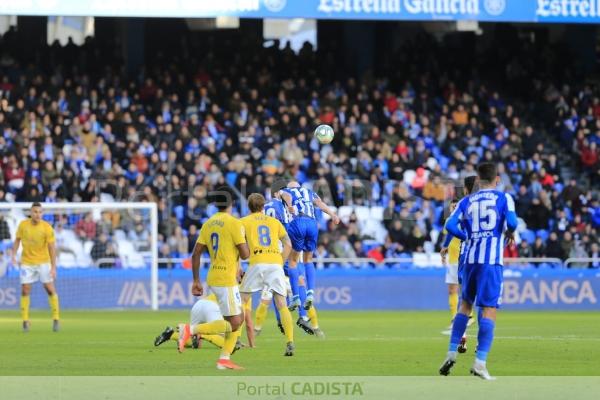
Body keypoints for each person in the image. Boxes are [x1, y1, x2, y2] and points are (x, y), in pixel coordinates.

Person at [439, 162, 518, 380]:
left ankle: (451, 352)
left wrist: (468, 237)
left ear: (479, 180)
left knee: (465, 306)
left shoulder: (466, 201)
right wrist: (510, 231)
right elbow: (512, 222)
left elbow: (450, 226)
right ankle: (480, 362)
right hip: (490, 261)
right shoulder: (504, 198)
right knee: (489, 309)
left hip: (469, 260)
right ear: (497, 178)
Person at [177, 186, 250, 371]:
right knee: (235, 322)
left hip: (213, 276)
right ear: (232, 204)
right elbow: (245, 254)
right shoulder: (235, 223)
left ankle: (224, 359)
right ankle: (190, 330)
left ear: (216, 204)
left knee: (236, 318)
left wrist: (196, 280)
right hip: (226, 278)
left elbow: (196, 254)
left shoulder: (208, 223)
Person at [239, 193, 296, 356]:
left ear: (249, 207)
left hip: (257, 261)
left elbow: (237, 244)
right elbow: (288, 244)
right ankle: (290, 341)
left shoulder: (243, 221)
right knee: (281, 303)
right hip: (274, 263)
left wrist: (238, 265)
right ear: (263, 206)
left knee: (242, 300)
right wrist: (280, 260)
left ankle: (235, 338)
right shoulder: (274, 222)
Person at [280, 181, 340, 312]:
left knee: (293, 261)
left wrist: (290, 205)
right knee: (308, 259)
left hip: (297, 222)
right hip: (312, 224)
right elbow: (320, 204)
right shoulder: (308, 192)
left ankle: (295, 297)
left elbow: (287, 196)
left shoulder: (286, 190)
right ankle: (311, 293)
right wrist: (333, 214)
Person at [440, 176, 478, 352]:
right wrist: (445, 247)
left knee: (466, 294)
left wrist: (465, 237)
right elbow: (449, 231)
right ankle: (459, 322)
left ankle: (464, 323)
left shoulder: (465, 210)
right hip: (460, 259)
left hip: (465, 257)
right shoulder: (463, 214)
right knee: (458, 291)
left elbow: (452, 227)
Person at [11, 202, 60, 332]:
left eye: (40, 212)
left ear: (42, 213)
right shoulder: (23, 225)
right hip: (27, 262)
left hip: (44, 262)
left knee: (49, 289)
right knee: (25, 289)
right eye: (35, 212)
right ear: (30, 213)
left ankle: (56, 318)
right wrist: (13, 255)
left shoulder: (47, 228)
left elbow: (52, 249)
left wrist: (53, 267)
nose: (38, 214)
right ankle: (25, 321)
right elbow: (17, 240)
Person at [154, 293, 225, 350]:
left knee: (195, 343)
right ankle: (201, 335)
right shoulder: (234, 289)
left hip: (199, 305)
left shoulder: (228, 286)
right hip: (212, 307)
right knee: (227, 343)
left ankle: (170, 334)